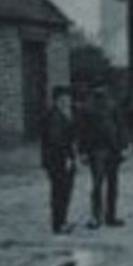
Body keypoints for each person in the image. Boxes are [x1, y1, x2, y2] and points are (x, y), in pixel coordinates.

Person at [76, 84, 126, 228]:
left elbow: (121, 126)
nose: (101, 90)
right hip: (97, 150)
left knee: (111, 185)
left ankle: (109, 216)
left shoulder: (112, 105)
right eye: (98, 87)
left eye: (102, 87)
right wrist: (83, 151)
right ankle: (98, 217)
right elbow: (82, 131)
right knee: (98, 185)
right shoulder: (87, 107)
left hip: (111, 150)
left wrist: (122, 147)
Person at [39, 85, 77, 234]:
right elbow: (56, 141)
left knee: (62, 192)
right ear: (57, 100)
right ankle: (59, 223)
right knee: (60, 192)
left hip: (57, 160)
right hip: (58, 161)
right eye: (64, 99)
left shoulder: (60, 115)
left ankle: (61, 221)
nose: (67, 102)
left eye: (68, 99)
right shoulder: (55, 117)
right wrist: (67, 157)